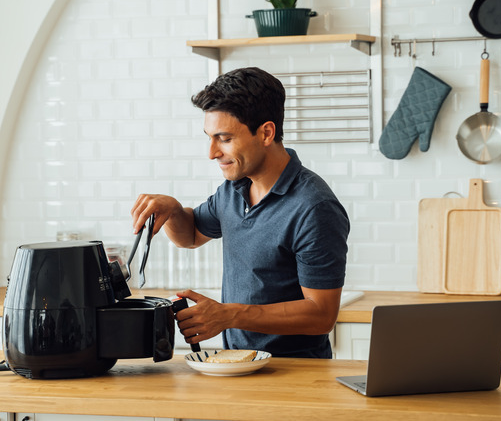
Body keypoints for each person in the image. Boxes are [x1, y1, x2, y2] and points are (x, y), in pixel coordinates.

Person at [130, 67, 349, 358]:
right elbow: (191, 235)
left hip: (294, 372)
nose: (212, 152)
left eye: (224, 138)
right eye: (209, 137)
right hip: (238, 365)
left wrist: (230, 315)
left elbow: (321, 315)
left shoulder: (314, 208)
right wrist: (172, 211)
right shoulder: (233, 189)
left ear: (266, 133)